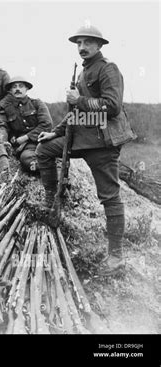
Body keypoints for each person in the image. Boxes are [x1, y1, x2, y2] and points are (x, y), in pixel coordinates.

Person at [36, 24, 135, 275]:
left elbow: (112, 107)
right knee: (45, 150)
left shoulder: (108, 69)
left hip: (102, 142)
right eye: (79, 43)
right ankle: (51, 199)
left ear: (99, 45)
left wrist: (78, 100)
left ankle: (116, 258)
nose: (82, 47)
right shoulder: (84, 71)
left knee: (109, 196)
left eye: (88, 43)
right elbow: (75, 113)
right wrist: (56, 132)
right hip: (82, 137)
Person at [0, 76, 52, 172]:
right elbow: (4, 128)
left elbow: (47, 124)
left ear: (26, 88)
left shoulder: (37, 103)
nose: (17, 89)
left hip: (42, 140)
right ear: (10, 90)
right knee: (27, 160)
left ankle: (56, 169)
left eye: (21, 86)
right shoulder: (7, 109)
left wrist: (26, 137)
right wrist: (8, 140)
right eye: (14, 87)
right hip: (26, 147)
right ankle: (49, 169)